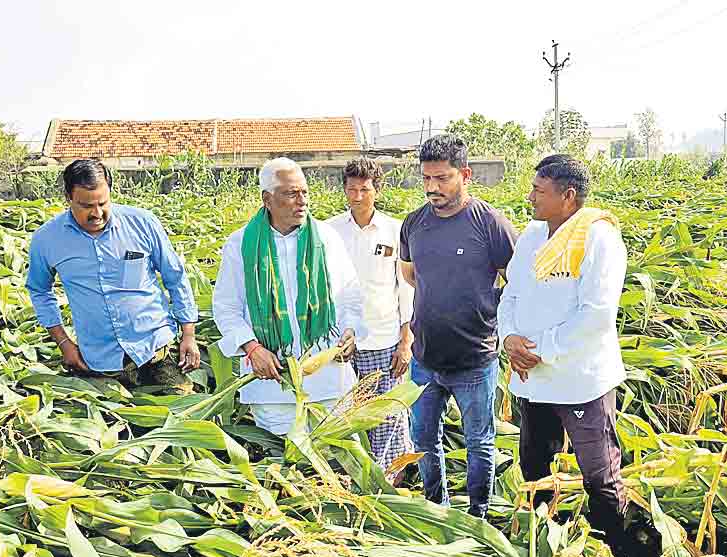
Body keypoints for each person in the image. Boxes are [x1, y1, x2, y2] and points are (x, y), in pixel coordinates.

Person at [498, 155, 646, 557]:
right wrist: (509, 337)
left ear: (567, 196)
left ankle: (618, 555)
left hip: (581, 381)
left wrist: (538, 349)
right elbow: (511, 294)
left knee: (599, 475)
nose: (530, 197)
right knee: (535, 467)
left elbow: (596, 316)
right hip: (533, 380)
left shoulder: (600, 239)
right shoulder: (531, 236)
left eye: (538, 191)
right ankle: (545, 546)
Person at [399, 134, 518, 519]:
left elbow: (518, 283)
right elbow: (411, 274)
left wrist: (485, 311)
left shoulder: (490, 224)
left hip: (475, 359)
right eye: (426, 178)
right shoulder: (414, 224)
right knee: (423, 439)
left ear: (465, 175)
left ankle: (478, 517)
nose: (432, 187)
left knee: (479, 443)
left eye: (442, 178)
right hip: (425, 359)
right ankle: (438, 510)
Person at [212, 158, 364, 435]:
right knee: (285, 458)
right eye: (291, 193)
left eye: (304, 192)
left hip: (330, 380)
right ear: (267, 199)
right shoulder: (240, 244)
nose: (302, 201)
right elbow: (226, 307)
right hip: (273, 387)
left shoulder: (326, 238)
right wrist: (252, 349)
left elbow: (350, 294)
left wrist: (351, 331)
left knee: (338, 456)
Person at [26, 159, 200, 394]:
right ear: (68, 197)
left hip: (157, 348)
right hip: (98, 361)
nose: (97, 213)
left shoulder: (142, 223)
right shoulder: (47, 239)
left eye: (103, 203)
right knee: (111, 416)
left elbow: (175, 276)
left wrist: (188, 334)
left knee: (182, 408)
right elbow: (39, 290)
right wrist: (64, 343)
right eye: (86, 206)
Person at [327, 159, 414, 470]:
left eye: (364, 190)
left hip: (384, 339)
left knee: (388, 416)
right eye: (351, 189)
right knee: (343, 414)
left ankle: (389, 478)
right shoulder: (329, 231)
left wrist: (406, 341)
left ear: (378, 190)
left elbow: (406, 289)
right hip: (340, 341)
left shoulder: (395, 230)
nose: (357, 196)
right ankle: (349, 478)